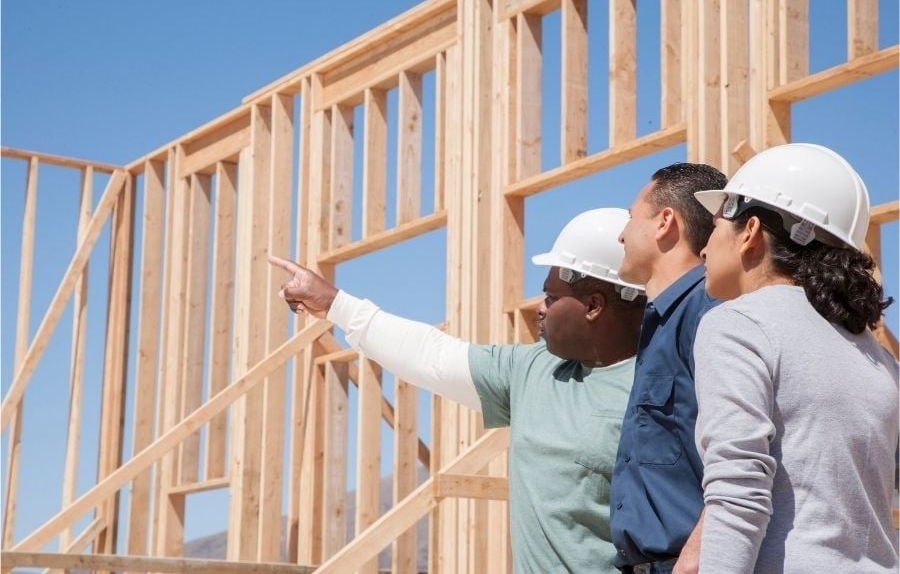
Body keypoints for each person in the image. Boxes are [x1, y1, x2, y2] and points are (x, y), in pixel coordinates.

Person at [270, 208, 647, 573]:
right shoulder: (533, 370)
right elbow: (432, 356)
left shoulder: (659, 387)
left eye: (550, 297)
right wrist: (336, 303)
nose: (540, 309)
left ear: (593, 305)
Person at [690, 143, 899, 572]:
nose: (704, 251)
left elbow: (738, 491)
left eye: (713, 228)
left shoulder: (738, 324)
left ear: (749, 232)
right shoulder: (876, 356)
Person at [612, 162, 728, 574]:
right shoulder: (663, 320)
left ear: (665, 222)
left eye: (630, 218)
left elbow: (748, 452)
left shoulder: (706, 312)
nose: (621, 234)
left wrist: (695, 554)